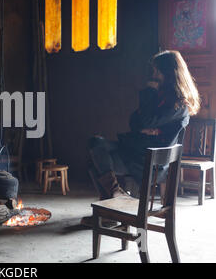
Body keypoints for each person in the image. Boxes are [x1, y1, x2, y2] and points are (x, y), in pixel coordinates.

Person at [86, 50, 201, 206]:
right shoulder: (161, 96)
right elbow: (134, 123)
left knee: (96, 162)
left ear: (167, 72)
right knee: (96, 144)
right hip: (136, 151)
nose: (153, 74)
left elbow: (145, 121)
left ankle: (110, 206)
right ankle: (114, 198)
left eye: (156, 70)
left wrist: (149, 93)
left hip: (148, 162)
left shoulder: (178, 104)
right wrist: (149, 126)